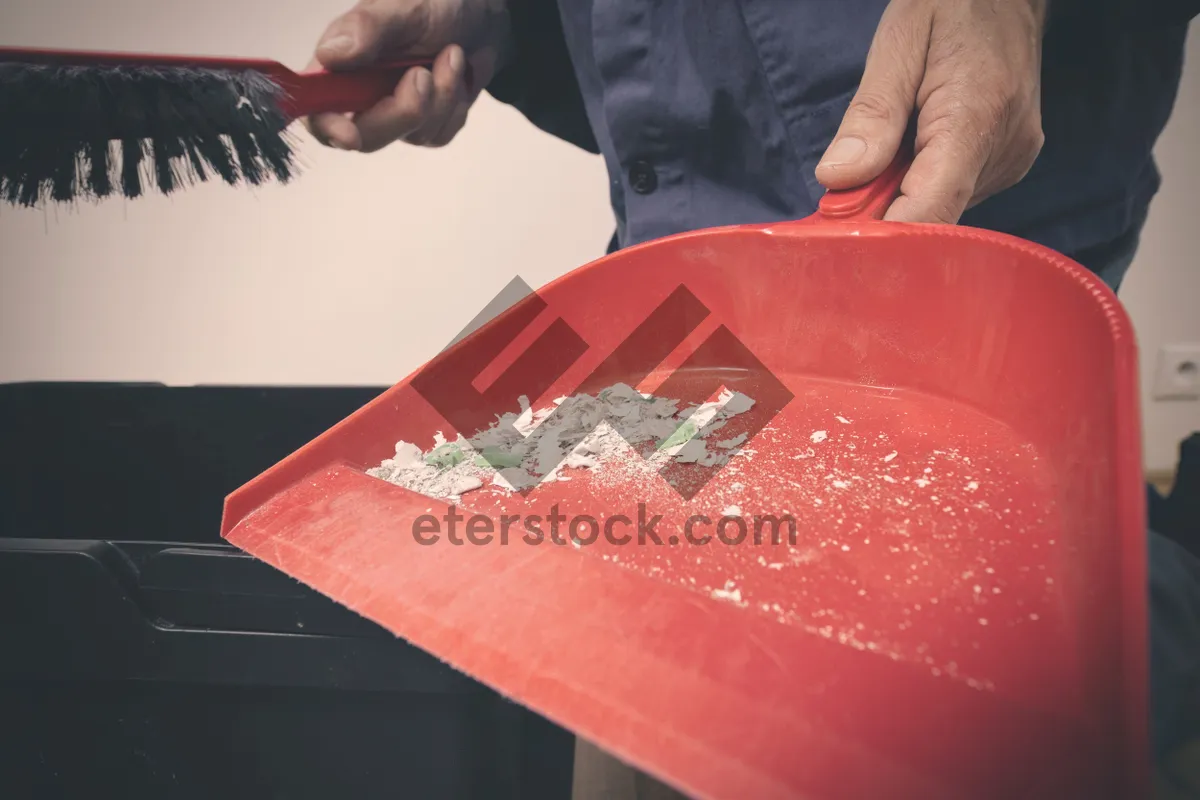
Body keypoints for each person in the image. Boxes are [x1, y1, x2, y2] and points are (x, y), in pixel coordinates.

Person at [303, 0, 1200, 791]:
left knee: (961, 677)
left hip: (963, 223)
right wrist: (503, 18)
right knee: (655, 651)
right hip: (684, 258)